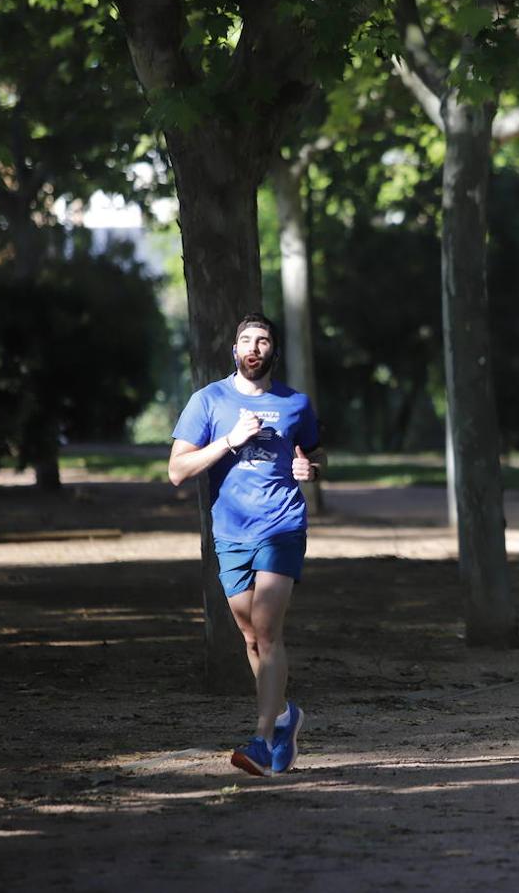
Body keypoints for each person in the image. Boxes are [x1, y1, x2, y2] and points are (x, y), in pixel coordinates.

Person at [168, 313, 325, 776]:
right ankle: (284, 716)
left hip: (282, 525)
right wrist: (229, 441)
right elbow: (178, 470)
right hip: (230, 532)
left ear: (273, 351)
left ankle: (261, 740)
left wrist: (310, 470)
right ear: (235, 351)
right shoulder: (208, 400)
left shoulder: (295, 403)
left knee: (267, 627)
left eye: (263, 340)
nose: (254, 347)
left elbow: (315, 452)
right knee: (251, 638)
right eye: (245, 340)